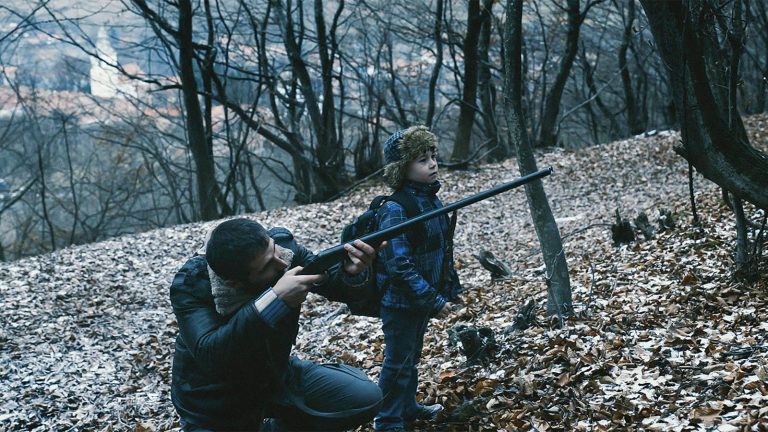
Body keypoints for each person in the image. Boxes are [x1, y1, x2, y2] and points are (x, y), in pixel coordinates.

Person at [169, 218, 383, 431]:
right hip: (211, 399)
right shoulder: (192, 283)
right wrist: (275, 300)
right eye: (266, 267)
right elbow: (211, 353)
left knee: (365, 398)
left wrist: (351, 272)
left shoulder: (284, 249)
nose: (281, 263)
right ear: (233, 283)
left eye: (274, 250)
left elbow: (335, 284)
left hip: (273, 373)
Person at [373, 126, 463, 431]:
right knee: (397, 362)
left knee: (411, 357)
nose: (433, 164)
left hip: (421, 299)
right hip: (400, 303)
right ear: (402, 169)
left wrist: (450, 288)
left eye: (433, 156)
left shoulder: (431, 200)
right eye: (422, 160)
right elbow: (399, 266)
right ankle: (387, 420)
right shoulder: (396, 209)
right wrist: (434, 301)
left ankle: (408, 407)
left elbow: (442, 249)